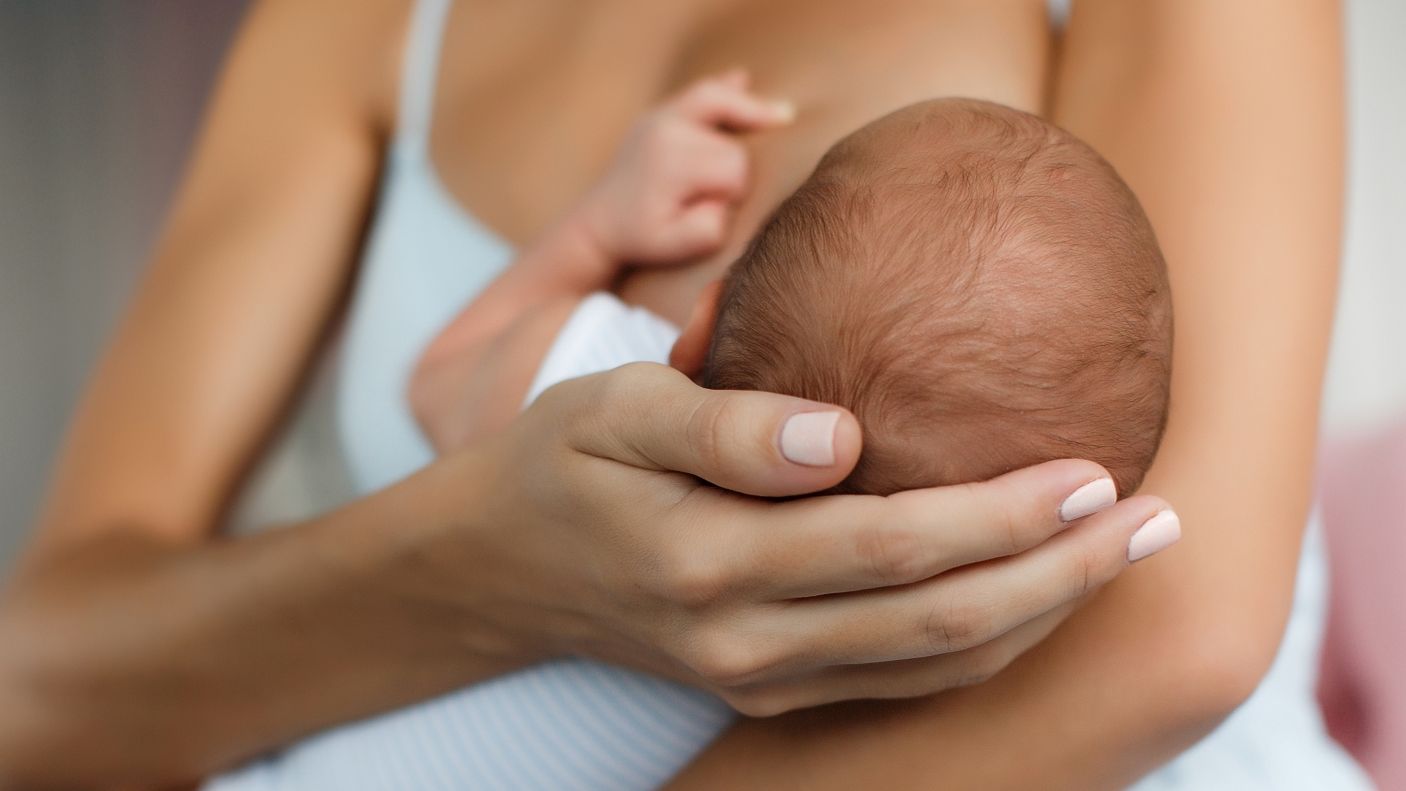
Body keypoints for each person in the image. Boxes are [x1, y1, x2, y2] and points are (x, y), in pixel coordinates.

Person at [0, 1, 1357, 790]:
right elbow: (36, 686)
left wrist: (587, 252)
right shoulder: (359, 29)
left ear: (697, 322)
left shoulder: (595, 377)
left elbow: (1173, 648)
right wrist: (488, 563)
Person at [208, 86, 1183, 791]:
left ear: (699, 321)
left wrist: (597, 229)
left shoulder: (596, 378)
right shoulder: (950, 660)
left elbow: (438, 376)